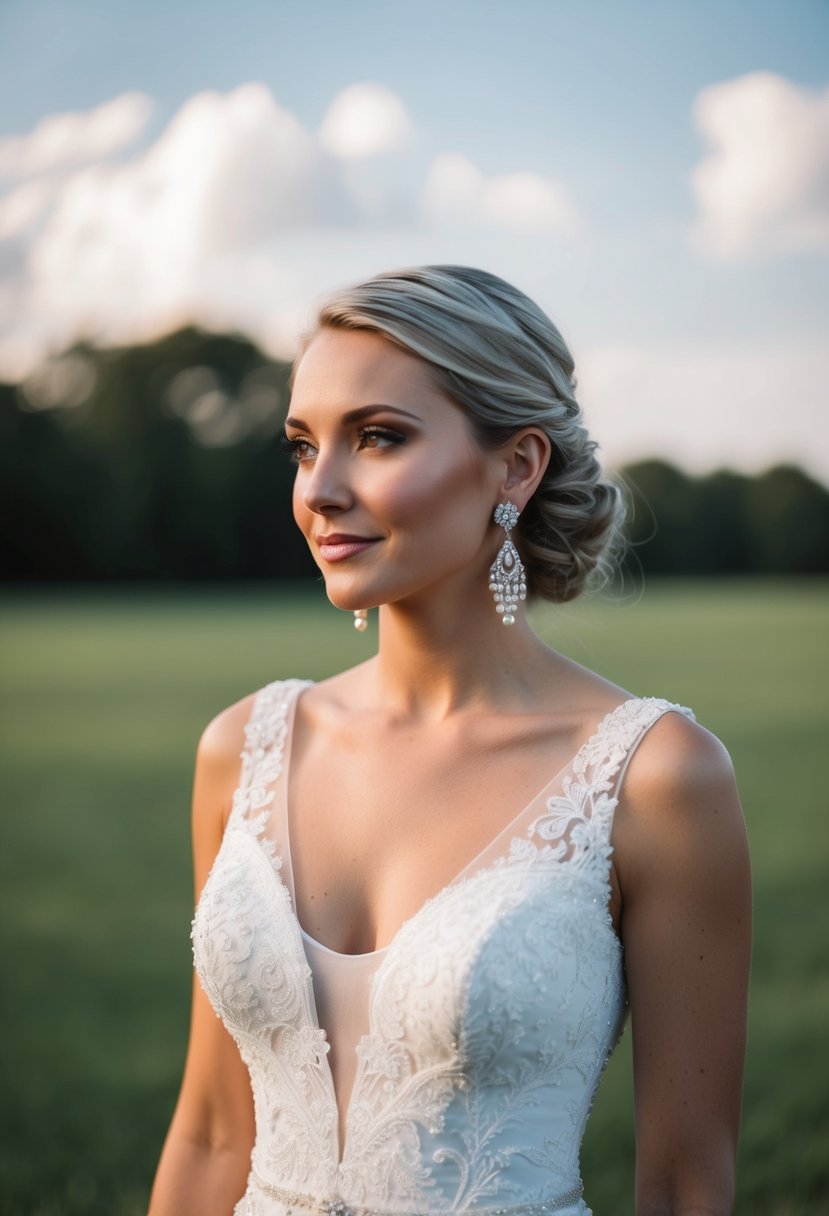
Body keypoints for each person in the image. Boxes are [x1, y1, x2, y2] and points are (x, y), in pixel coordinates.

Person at [148, 265, 751, 1216]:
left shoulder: (655, 778)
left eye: (378, 438)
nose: (321, 490)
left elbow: (683, 1182)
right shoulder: (242, 747)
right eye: (303, 447)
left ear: (516, 466)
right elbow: (213, 1134)